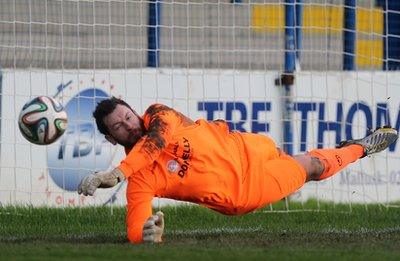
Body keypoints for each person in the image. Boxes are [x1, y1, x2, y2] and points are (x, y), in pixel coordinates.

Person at [77, 97, 398, 244]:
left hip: (248, 147)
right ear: (110, 137)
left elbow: (155, 142)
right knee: (312, 166)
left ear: (135, 112)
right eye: (118, 127)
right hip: (245, 190)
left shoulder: (159, 115)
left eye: (128, 117)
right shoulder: (140, 180)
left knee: (312, 162)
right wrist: (147, 236)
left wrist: (116, 173)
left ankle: (346, 149)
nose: (128, 125)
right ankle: (360, 148)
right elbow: (136, 230)